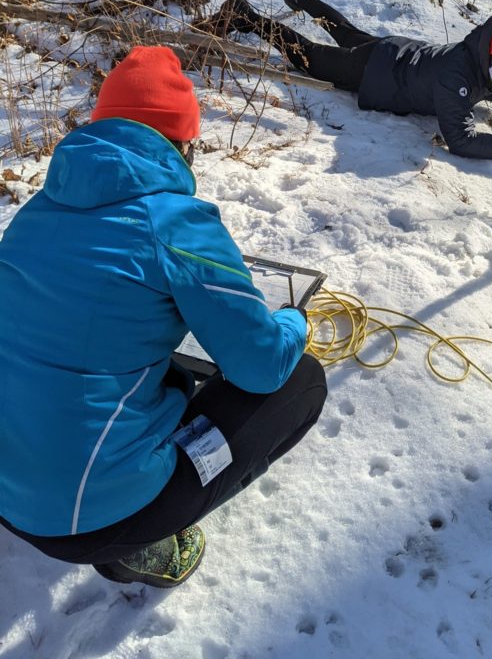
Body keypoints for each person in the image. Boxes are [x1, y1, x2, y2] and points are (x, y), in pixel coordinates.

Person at [0, 46, 326, 589]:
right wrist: (295, 321)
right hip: (91, 521)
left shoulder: (35, 213)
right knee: (300, 381)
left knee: (164, 371)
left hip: (8, 491)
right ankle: (141, 539)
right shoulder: (174, 222)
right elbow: (262, 366)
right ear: (182, 142)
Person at [214, 0, 492, 165]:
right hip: (376, 72)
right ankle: (246, 16)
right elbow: (460, 140)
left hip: (395, 51)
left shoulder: (486, 61)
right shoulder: (457, 75)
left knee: (345, 30)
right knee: (305, 55)